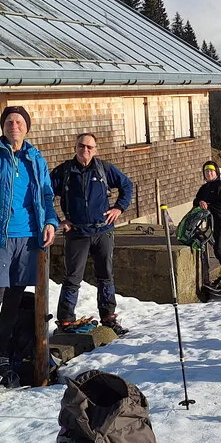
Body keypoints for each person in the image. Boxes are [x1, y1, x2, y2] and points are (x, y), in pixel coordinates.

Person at [0, 106, 58, 393]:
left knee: (15, 298)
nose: (13, 126)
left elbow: (46, 195)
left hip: (28, 237)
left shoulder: (35, 158)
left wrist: (50, 221)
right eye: (8, 121)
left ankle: (1, 355)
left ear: (26, 127)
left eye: (19, 121)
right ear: (2, 126)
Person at [50, 133, 134, 336]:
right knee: (72, 278)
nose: (85, 150)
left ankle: (108, 317)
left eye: (89, 147)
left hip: (103, 231)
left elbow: (127, 185)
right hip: (77, 233)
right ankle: (66, 321)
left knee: (105, 276)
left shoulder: (104, 169)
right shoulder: (64, 171)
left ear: (95, 150)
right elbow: (45, 195)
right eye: (81, 146)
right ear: (75, 147)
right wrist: (57, 220)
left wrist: (119, 208)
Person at [193, 160, 221, 292]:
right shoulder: (204, 188)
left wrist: (208, 205)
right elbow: (196, 200)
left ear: (216, 172)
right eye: (206, 171)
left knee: (219, 250)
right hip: (213, 221)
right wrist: (200, 202)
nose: (209, 173)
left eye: (211, 171)